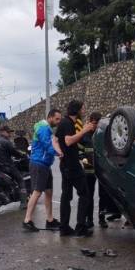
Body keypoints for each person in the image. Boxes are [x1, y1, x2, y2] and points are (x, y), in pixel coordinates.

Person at [56, 100, 96, 237]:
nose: (84, 111)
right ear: (77, 110)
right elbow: (68, 141)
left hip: (65, 164)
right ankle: (80, 228)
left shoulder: (65, 122)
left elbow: (55, 139)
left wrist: (59, 152)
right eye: (82, 108)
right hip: (72, 166)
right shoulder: (67, 123)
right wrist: (84, 130)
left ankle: (64, 227)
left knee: (66, 196)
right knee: (84, 194)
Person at [22, 109, 64, 232]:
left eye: (59, 119)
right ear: (50, 117)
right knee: (37, 192)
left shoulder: (47, 128)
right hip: (39, 163)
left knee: (49, 192)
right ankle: (27, 220)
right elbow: (48, 146)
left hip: (45, 164)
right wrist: (60, 153)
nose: (58, 121)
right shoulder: (43, 128)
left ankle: (50, 220)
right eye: (57, 119)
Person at [0, 125, 28, 207]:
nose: (10, 134)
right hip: (6, 167)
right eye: (8, 132)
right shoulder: (6, 142)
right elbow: (14, 152)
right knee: (20, 179)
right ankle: (23, 203)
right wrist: (22, 155)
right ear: (3, 132)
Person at [78, 112, 102, 228]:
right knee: (89, 195)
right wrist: (82, 158)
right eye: (94, 123)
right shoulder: (85, 134)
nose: (96, 126)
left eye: (98, 124)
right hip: (89, 169)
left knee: (104, 195)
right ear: (90, 122)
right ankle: (89, 219)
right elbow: (79, 149)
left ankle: (102, 219)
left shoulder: (103, 135)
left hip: (102, 170)